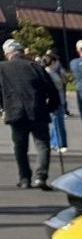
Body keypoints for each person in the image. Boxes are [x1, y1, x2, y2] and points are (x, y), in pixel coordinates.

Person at [0, 38, 60, 189]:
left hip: (15, 112)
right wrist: (51, 107)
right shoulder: (35, 66)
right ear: (21, 51)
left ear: (8, 53)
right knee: (42, 145)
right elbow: (52, 89)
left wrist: (3, 109)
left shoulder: (2, 67)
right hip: (38, 110)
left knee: (20, 146)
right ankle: (41, 176)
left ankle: (25, 178)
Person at [40, 53, 67, 154]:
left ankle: (53, 142)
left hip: (59, 100)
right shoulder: (48, 73)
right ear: (53, 62)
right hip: (56, 101)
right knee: (57, 123)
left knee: (55, 123)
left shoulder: (53, 72)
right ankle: (59, 143)